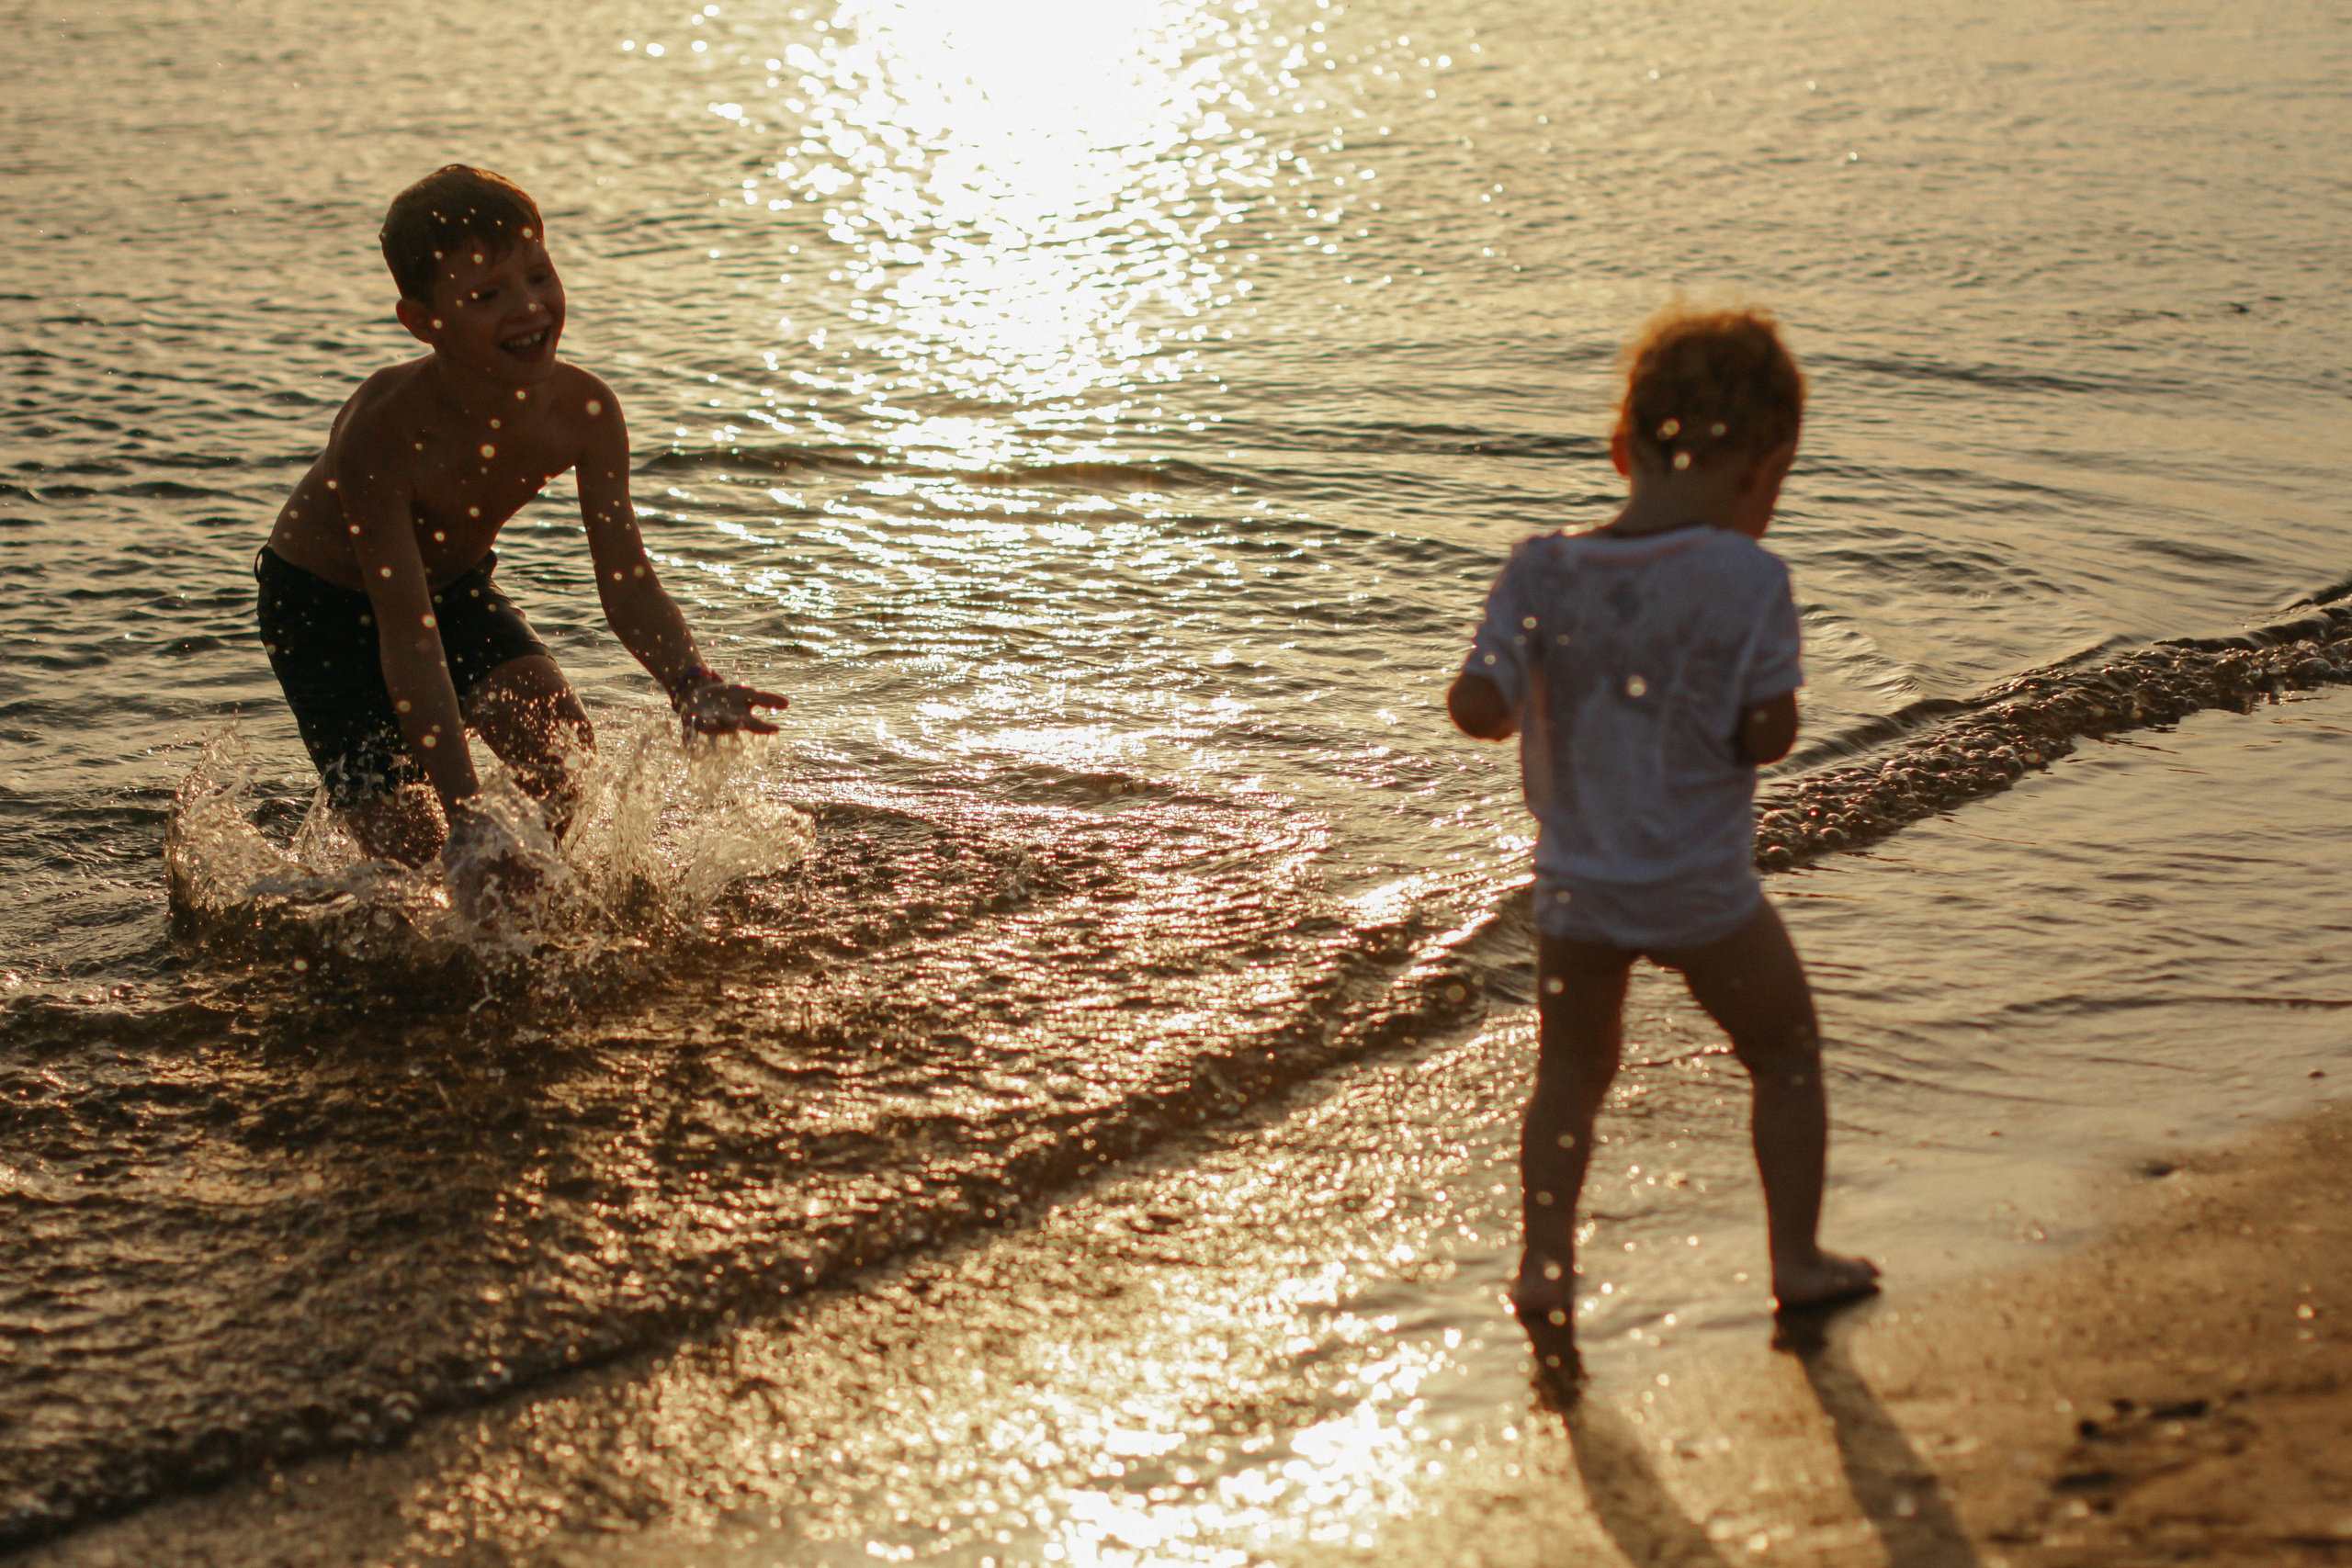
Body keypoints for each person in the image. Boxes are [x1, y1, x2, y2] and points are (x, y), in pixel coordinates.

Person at [1446, 303, 1878, 1340]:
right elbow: (1769, 733)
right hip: (1701, 890)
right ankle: (1795, 1259)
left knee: (1569, 1075)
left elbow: (1478, 703)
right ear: (1763, 468)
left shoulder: (1540, 569)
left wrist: (1505, 704)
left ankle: (1544, 1267)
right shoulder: (1748, 578)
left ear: (1621, 448)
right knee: (1783, 1052)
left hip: (1578, 889)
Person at [255, 164, 785, 874]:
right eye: (487, 295)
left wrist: (689, 681)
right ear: (423, 321)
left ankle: (526, 898)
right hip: (319, 612)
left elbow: (628, 583)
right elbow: (408, 635)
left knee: (562, 755)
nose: (528, 307)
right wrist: (464, 808)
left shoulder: (584, 412)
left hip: (453, 587)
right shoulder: (382, 430)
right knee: (414, 856)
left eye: (539, 276)